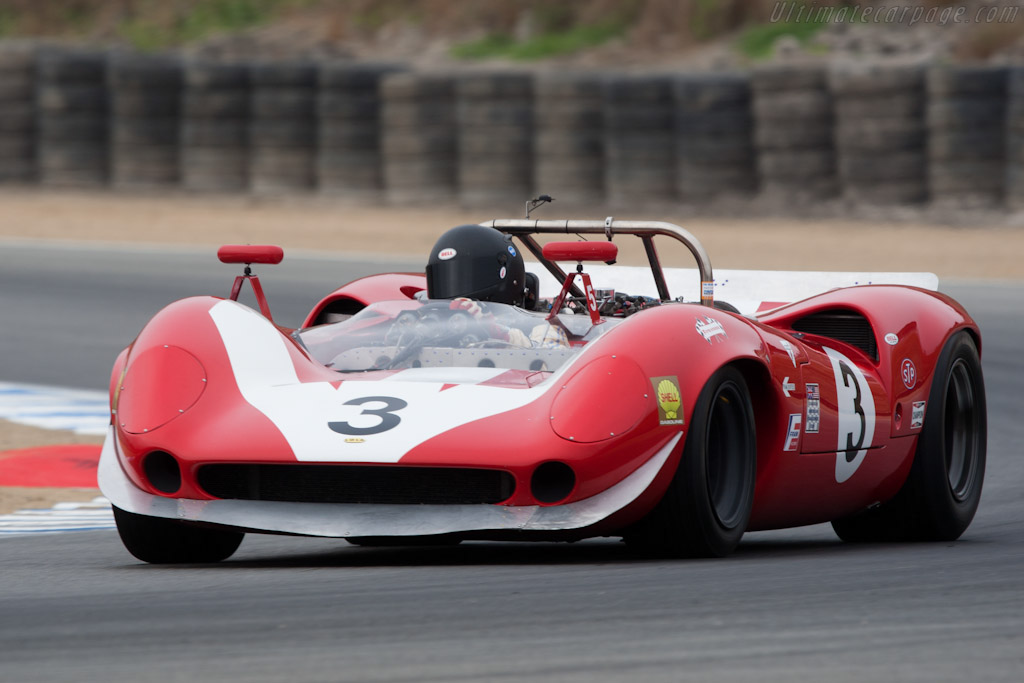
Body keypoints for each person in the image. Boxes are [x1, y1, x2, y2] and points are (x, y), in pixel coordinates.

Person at [425, 225, 567, 349]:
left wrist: (497, 332)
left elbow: (549, 357)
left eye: (464, 277)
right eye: (445, 278)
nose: (454, 291)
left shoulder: (542, 329)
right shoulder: (429, 325)